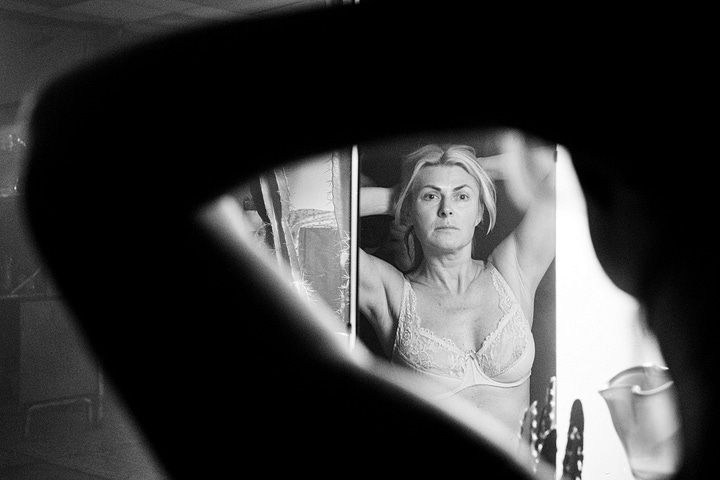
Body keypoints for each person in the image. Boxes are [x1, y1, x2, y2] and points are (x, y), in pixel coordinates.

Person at [358, 132, 556, 445]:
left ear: (479, 212)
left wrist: (480, 170)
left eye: (462, 196)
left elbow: (560, 178)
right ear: (409, 212)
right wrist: (395, 199)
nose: (446, 209)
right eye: (431, 197)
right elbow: (324, 222)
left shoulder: (512, 270)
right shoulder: (392, 292)